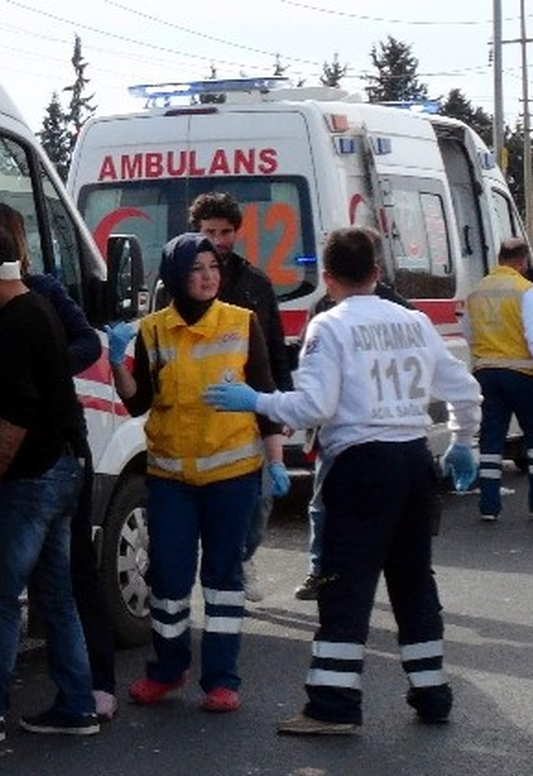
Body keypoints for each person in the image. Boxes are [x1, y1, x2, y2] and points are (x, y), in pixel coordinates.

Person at [205, 225, 482, 734]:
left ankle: (333, 705)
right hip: (413, 460)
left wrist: (257, 401)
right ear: (377, 272)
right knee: (414, 580)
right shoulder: (414, 322)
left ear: (327, 278)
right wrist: (464, 441)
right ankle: (432, 692)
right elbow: (463, 387)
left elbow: (314, 406)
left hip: (360, 464)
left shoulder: (329, 327)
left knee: (343, 585)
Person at [0, 202, 118, 719]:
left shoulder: (18, 319)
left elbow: (19, 412)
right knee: (55, 597)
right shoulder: (36, 309)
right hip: (61, 468)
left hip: (31, 477)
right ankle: (77, 705)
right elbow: (24, 386)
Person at [107, 232, 288, 714]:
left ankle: (222, 680)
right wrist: (115, 364)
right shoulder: (152, 330)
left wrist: (276, 462)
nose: (208, 276)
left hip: (232, 473)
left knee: (222, 577)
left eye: (213, 267)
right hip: (169, 476)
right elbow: (138, 402)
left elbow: (266, 396)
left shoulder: (241, 322)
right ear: (175, 276)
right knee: (166, 577)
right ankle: (168, 671)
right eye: (196, 269)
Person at [188, 192, 294, 602]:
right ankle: (222, 564)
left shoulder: (255, 283)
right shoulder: (177, 281)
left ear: (237, 232)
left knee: (260, 503)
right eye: (209, 231)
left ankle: (240, 555)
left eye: (225, 232)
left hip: (254, 407)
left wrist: (282, 403)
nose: (217, 239)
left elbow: (274, 349)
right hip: (201, 408)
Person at [294, 278, 413, 602]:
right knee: (323, 504)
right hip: (340, 428)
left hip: (362, 429)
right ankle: (321, 571)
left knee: (343, 507)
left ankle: (349, 577)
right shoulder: (324, 305)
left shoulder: (395, 307)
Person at [462, 237, 533, 522]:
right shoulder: (527, 290)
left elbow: (468, 333)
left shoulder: (475, 292)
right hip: (523, 375)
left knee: (491, 439)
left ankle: (489, 506)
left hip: (486, 373)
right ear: (523, 262)